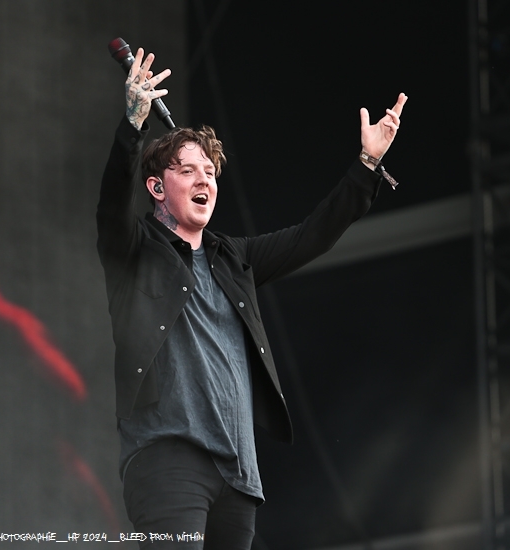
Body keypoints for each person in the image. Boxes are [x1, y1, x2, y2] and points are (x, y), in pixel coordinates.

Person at [96, 48, 407, 549]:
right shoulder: (135, 251)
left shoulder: (233, 258)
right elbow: (112, 201)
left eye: (209, 172)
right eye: (188, 171)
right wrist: (134, 125)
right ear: (156, 187)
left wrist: (367, 164)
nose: (205, 179)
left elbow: (313, 235)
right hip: (168, 457)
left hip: (239, 477)